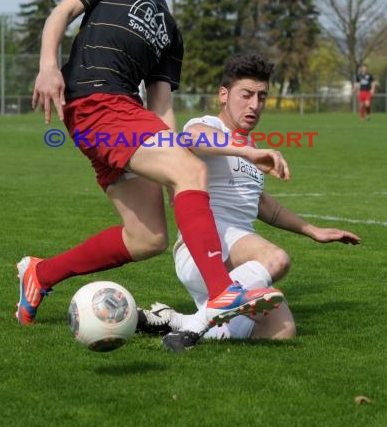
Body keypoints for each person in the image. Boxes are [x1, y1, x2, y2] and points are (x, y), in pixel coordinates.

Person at [16, 0, 290, 327]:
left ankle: (42, 273)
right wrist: (49, 66)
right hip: (96, 101)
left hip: (125, 112)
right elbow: (61, 13)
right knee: (191, 169)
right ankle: (221, 292)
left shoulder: (171, 30)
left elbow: (162, 106)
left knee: (148, 238)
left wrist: (173, 167)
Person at [137, 53, 361, 352]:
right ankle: (194, 327)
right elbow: (192, 138)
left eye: (262, 97)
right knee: (276, 259)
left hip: (236, 257)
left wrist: (312, 230)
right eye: (246, 95)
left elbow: (263, 205)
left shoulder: (251, 147)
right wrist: (247, 153)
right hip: (205, 247)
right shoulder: (207, 126)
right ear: (223, 95)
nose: (254, 105)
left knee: (280, 329)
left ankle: (176, 321)